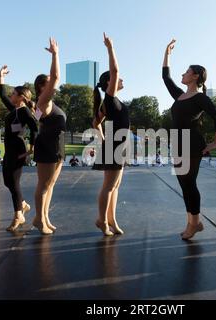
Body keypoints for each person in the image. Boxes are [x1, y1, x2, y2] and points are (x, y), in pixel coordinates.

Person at [163, 39, 216, 240]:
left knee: (189, 184)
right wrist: (167, 54)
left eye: (186, 72)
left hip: (192, 144)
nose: (182, 74)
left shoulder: (199, 98)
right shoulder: (179, 96)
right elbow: (166, 77)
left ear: (195, 76)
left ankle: (194, 223)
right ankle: (193, 222)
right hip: (178, 144)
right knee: (183, 184)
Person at [92, 33, 129, 236]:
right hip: (114, 147)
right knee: (108, 186)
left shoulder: (110, 104)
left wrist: (102, 138)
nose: (121, 79)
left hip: (117, 146)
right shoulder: (110, 98)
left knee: (115, 186)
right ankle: (101, 219)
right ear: (109, 83)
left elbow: (95, 123)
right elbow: (115, 70)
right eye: (116, 79)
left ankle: (111, 220)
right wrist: (110, 48)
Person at [32, 37, 67, 235]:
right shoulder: (43, 101)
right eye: (48, 83)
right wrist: (55, 54)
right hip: (47, 146)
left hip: (58, 145)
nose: (52, 85)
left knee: (51, 184)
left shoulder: (48, 104)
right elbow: (55, 78)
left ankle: (44, 217)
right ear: (41, 88)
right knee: (43, 185)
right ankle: (38, 218)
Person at [0, 65, 39, 232]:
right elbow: (1, 94)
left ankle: (18, 216)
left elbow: (35, 128)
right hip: (10, 150)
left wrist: (32, 147)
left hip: (19, 150)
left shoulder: (25, 112)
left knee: (14, 183)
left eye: (14, 93)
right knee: (7, 181)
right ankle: (22, 204)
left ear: (21, 97)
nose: (11, 95)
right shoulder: (13, 109)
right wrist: (1, 77)